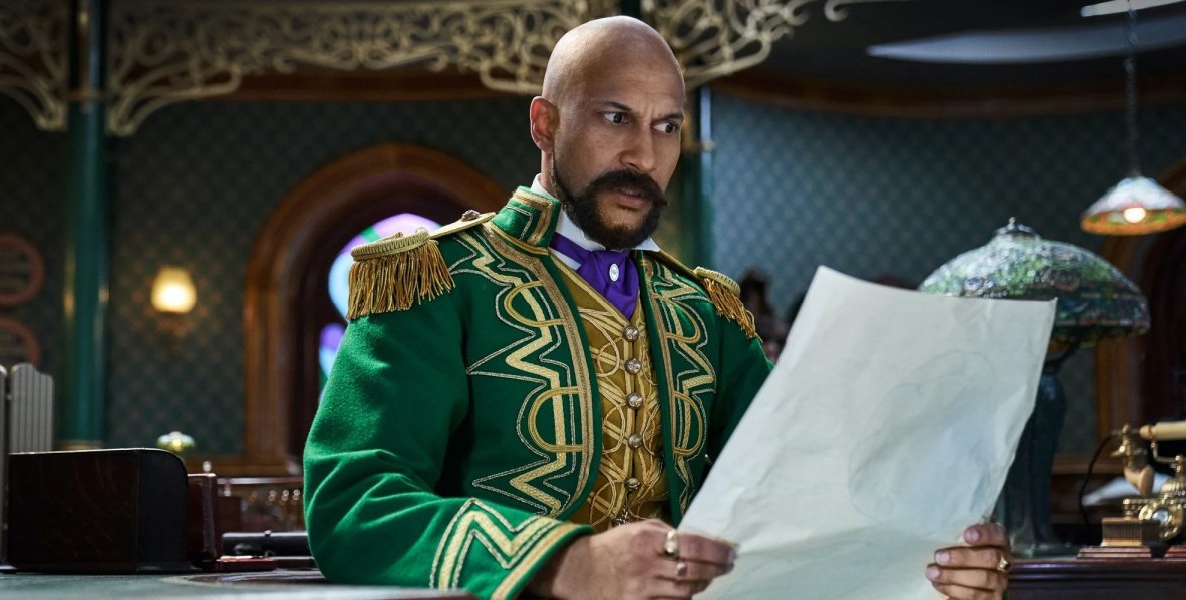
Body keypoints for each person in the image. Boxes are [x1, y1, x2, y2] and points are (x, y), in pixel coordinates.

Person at [304, 16, 1012, 600]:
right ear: (545, 124)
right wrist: (565, 564)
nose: (643, 155)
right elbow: (354, 504)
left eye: (667, 126)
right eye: (616, 117)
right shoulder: (437, 281)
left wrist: (929, 562)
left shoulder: (706, 312)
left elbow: (801, 496)